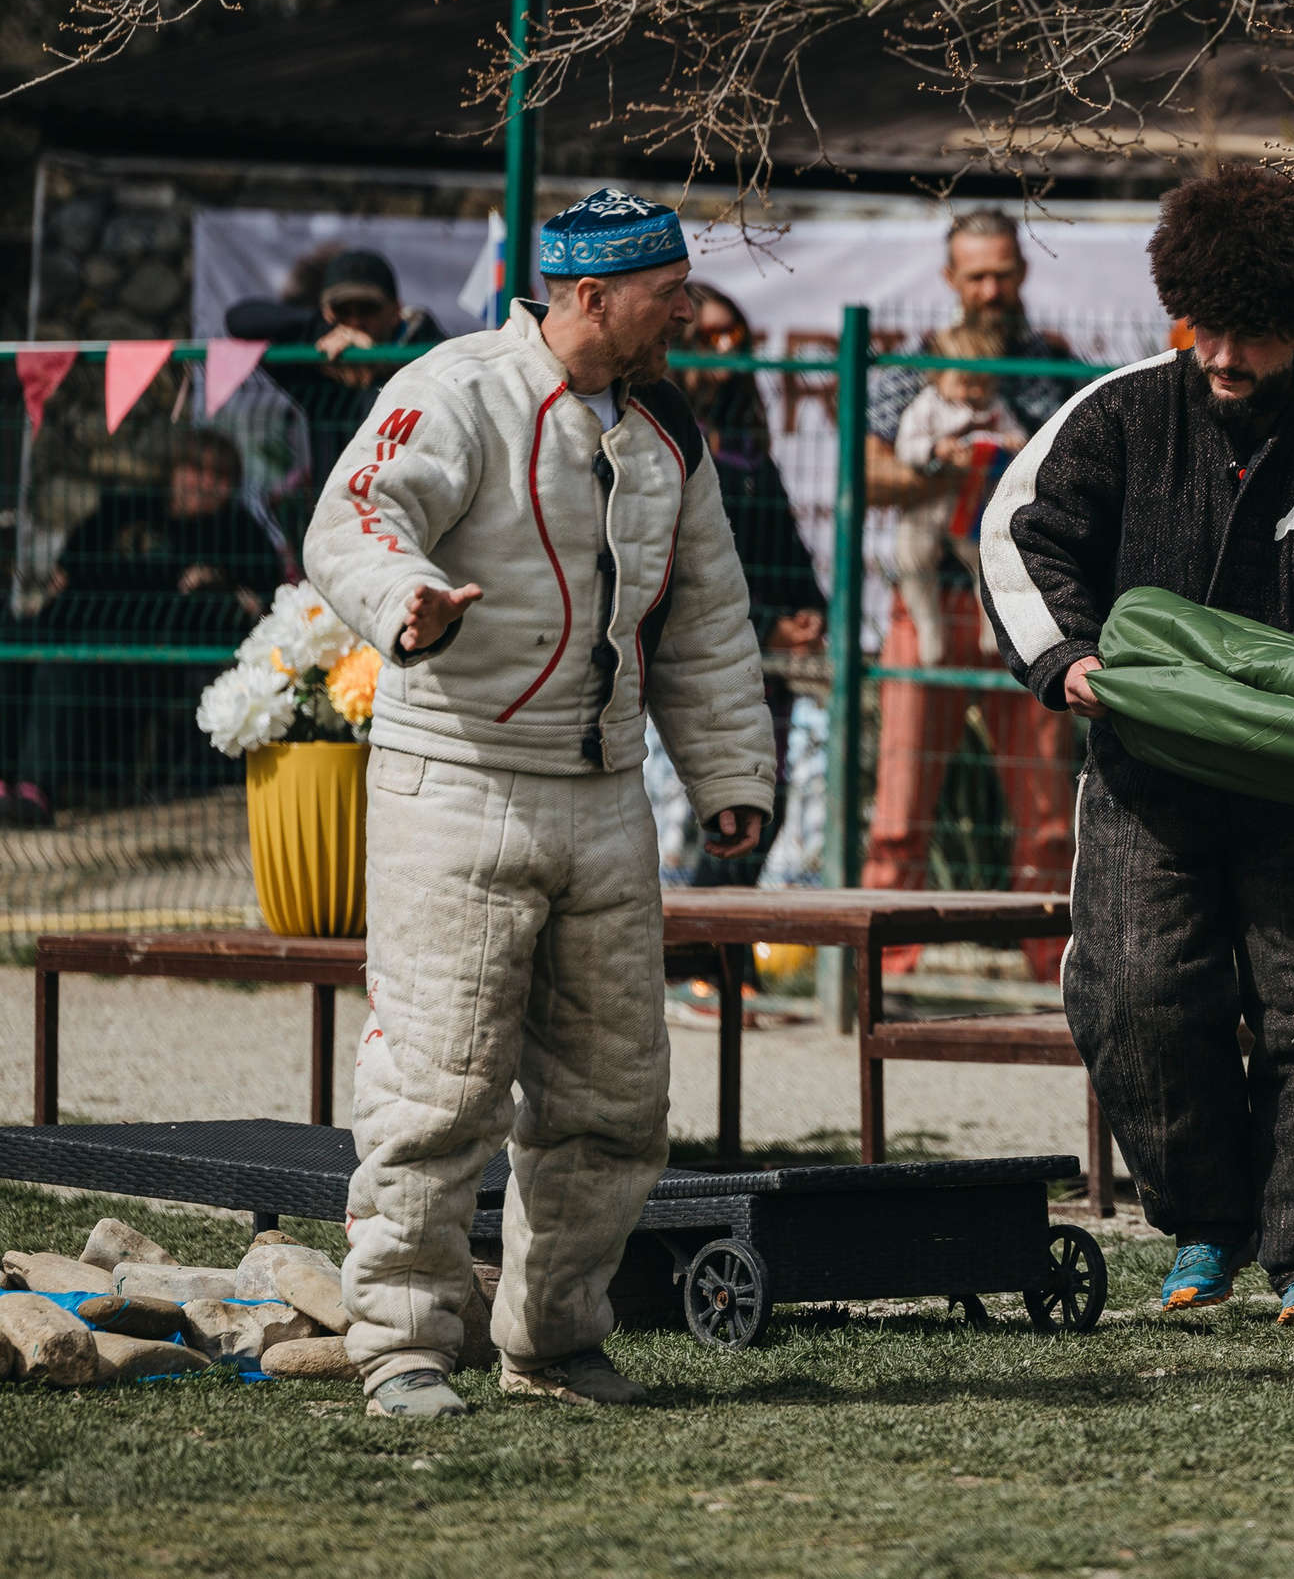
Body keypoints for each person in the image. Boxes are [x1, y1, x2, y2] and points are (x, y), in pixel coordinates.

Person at [303, 186, 775, 1419]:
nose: (686, 310)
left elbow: (708, 611)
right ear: (590, 296)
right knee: (437, 1087)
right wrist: (405, 595)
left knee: (616, 1098)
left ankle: (555, 1340)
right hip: (451, 777)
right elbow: (355, 517)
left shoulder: (668, 423)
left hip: (606, 794)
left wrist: (728, 776)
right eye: (667, 294)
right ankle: (401, 1341)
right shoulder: (456, 387)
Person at [980, 166, 1294, 1329]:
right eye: (1206, 325)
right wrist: (1070, 661)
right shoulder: (1112, 413)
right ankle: (1204, 1223)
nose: (1221, 353)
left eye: (1250, 333)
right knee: (1133, 998)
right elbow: (1018, 538)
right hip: (1143, 775)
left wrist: (1290, 685)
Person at [861, 211, 1080, 978]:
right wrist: (953, 470)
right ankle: (886, 970)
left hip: (1032, 603)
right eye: (976, 275)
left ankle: (1056, 965)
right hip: (933, 598)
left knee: (1049, 810)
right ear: (950, 280)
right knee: (901, 799)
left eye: (1004, 273)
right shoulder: (915, 365)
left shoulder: (1053, 366)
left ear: (1022, 272)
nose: (992, 288)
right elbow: (870, 473)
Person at [1, 430, 284, 827]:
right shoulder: (126, 509)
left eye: (218, 475)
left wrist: (219, 587)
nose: (204, 482)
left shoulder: (241, 534)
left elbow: (259, 604)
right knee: (14, 639)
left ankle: (35, 790)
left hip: (159, 660)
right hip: (80, 626)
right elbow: (73, 562)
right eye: (195, 469)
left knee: (62, 664)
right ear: (173, 471)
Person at [673, 283, 827, 888]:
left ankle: (721, 953)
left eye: (736, 334)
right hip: (693, 655)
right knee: (699, 811)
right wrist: (769, 626)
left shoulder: (746, 442)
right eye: (709, 336)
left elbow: (783, 541)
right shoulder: (662, 435)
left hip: (762, 659)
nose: (728, 349)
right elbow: (679, 563)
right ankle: (695, 949)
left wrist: (809, 611)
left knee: (768, 799)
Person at [890, 319, 1024, 667]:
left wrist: (1011, 443)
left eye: (981, 382)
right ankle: (929, 626)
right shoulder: (928, 405)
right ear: (938, 376)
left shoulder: (994, 408)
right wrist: (935, 449)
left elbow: (1018, 438)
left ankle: (990, 628)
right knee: (912, 560)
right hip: (928, 504)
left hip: (972, 503)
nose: (972, 392)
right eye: (963, 381)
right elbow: (907, 446)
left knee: (987, 564)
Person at [225, 248, 447, 418]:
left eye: (368, 308)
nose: (355, 322)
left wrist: (384, 365)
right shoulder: (320, 355)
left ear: (396, 308)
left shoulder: (436, 351)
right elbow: (240, 319)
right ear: (326, 312)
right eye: (342, 311)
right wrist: (327, 331)